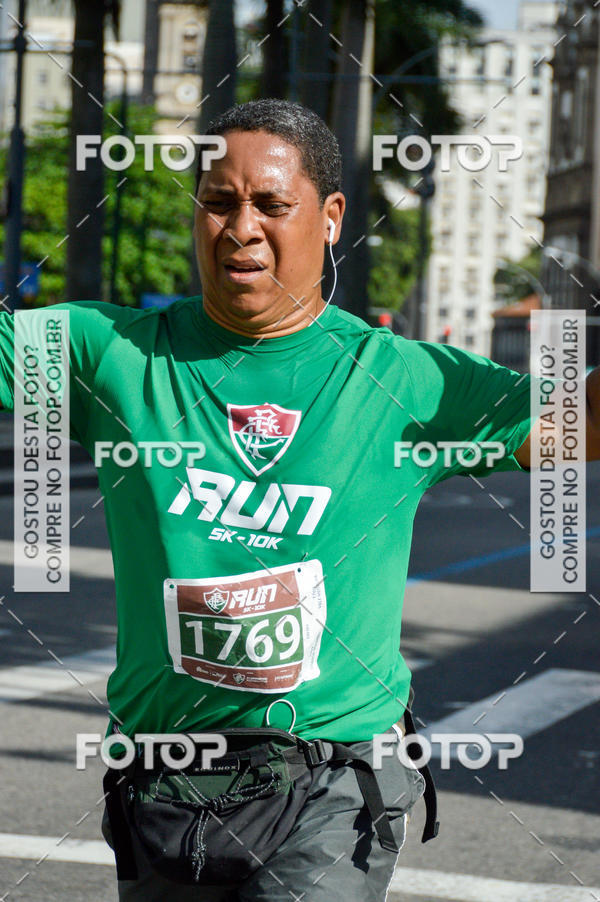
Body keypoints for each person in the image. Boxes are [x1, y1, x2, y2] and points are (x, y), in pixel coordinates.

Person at [1, 98, 599, 901]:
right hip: (161, 781)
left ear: (329, 218)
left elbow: (580, 422)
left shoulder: (404, 379)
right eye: (217, 203)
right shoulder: (107, 354)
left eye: (271, 205)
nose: (240, 226)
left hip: (333, 784)